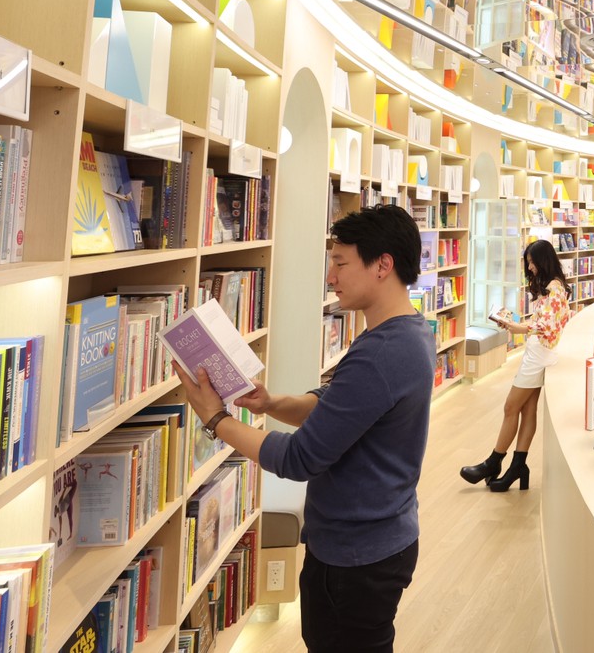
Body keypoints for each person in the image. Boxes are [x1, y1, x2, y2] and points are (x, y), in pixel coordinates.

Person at [173, 205, 434, 653]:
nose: (331, 278)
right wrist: (272, 403)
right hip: (377, 540)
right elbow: (340, 407)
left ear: (382, 266)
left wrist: (216, 419)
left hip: (357, 557)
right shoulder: (408, 332)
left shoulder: (383, 352)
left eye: (340, 264)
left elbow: (299, 458)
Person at [460, 239, 573, 491]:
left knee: (511, 406)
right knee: (527, 410)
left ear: (543, 261)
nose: (530, 268)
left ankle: (493, 462)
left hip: (539, 355)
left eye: (532, 263)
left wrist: (516, 327)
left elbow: (545, 327)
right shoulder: (555, 286)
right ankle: (518, 466)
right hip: (541, 352)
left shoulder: (553, 289)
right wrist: (517, 323)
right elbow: (544, 321)